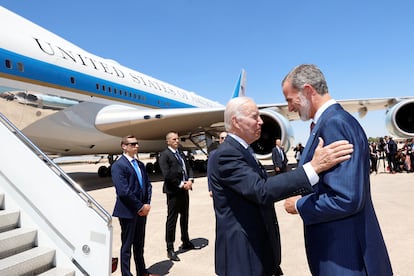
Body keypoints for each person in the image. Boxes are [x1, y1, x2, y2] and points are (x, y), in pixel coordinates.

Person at [208, 96, 353, 276]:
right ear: (236, 121)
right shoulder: (226, 155)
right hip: (244, 259)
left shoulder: (243, 151)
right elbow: (260, 190)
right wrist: (313, 168)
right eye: (255, 117)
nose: (261, 121)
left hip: (258, 254)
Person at [282, 64, 392, 275]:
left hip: (344, 256)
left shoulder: (334, 124)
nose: (290, 108)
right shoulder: (330, 122)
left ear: (307, 91)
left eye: (290, 99)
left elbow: (346, 198)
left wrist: (299, 204)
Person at [111, 135, 153, 276]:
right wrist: (139, 207)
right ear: (124, 146)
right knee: (127, 245)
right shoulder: (119, 165)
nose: (136, 146)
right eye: (133, 144)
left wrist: (147, 204)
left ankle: (142, 271)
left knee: (139, 244)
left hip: (142, 210)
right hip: (128, 211)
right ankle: (126, 274)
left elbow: (148, 185)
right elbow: (123, 191)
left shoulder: (140, 164)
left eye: (137, 144)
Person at [158, 131, 195, 262]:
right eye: (174, 139)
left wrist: (190, 180)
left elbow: (188, 168)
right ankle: (170, 248)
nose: (177, 141)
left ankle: (185, 240)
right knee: (172, 219)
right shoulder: (164, 155)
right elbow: (167, 175)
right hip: (173, 192)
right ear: (168, 141)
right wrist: (181, 184)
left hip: (184, 190)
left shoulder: (180, 153)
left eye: (177, 139)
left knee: (185, 216)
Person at [207, 131, 227, 197]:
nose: (224, 139)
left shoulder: (236, 152)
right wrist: (210, 188)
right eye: (222, 138)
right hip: (219, 187)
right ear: (220, 140)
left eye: (226, 138)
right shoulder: (213, 154)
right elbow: (210, 172)